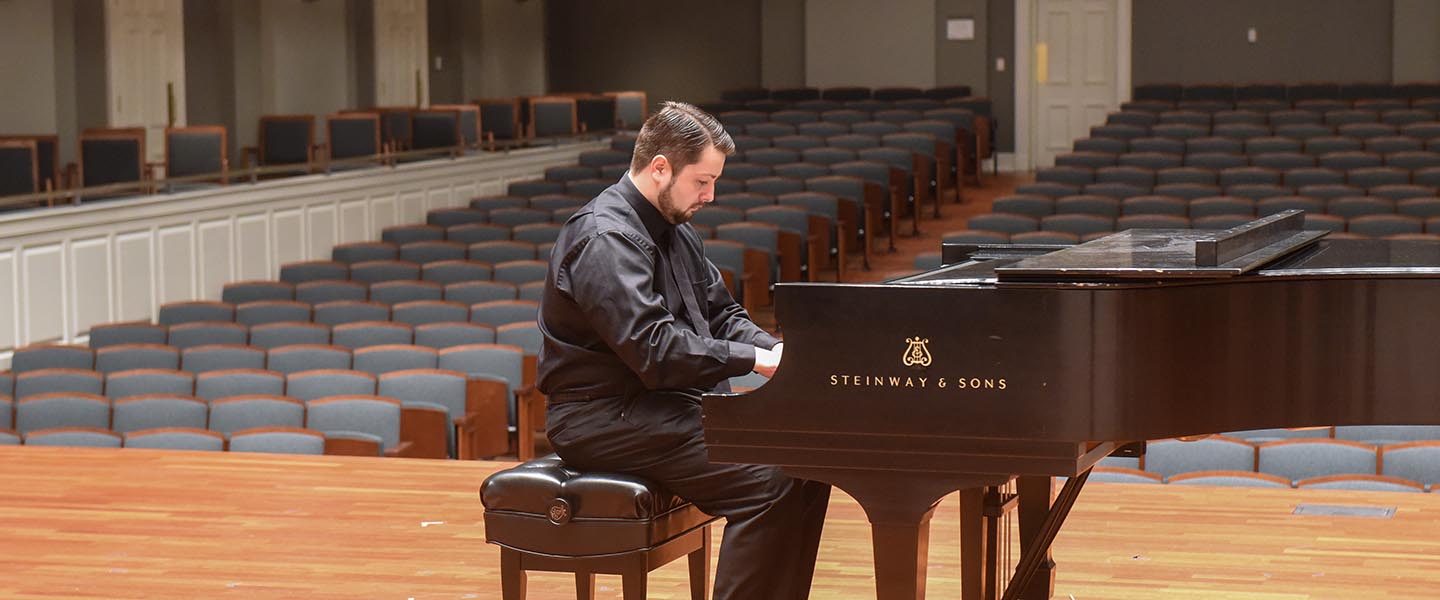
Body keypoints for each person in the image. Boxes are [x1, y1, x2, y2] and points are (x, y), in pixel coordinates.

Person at [536, 101, 831, 599]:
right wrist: (755, 361)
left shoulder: (676, 232)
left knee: (809, 462)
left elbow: (722, 313)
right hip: (599, 416)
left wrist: (777, 352)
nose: (710, 195)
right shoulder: (605, 238)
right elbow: (653, 349)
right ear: (659, 168)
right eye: (702, 181)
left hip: (657, 406)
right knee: (770, 480)